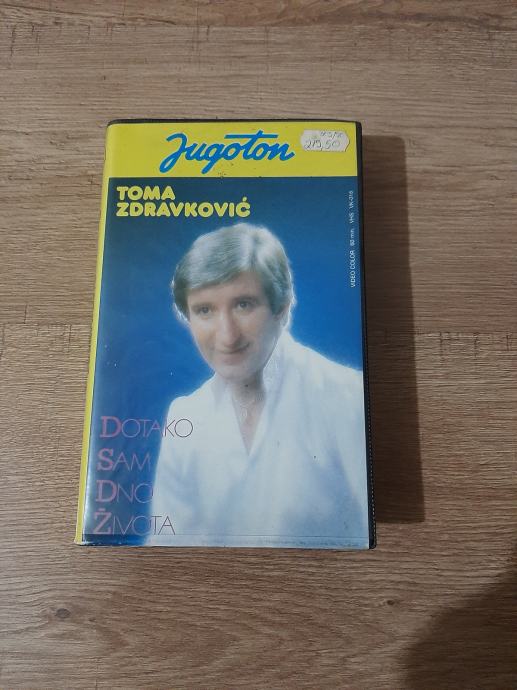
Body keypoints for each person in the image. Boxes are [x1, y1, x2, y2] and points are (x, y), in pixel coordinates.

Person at [148, 223, 370, 547]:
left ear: (282, 308)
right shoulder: (185, 415)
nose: (227, 336)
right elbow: (169, 549)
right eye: (205, 310)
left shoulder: (348, 397)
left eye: (244, 305)